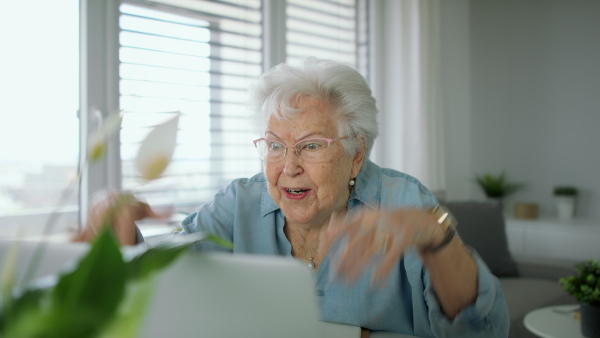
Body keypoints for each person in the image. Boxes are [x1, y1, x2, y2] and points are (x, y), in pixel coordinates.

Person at [79, 57, 509, 337]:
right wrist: (119, 228)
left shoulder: (402, 201)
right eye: (274, 144)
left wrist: (436, 240)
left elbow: (483, 331)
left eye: (311, 144)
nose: (288, 166)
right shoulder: (239, 204)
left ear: (356, 154)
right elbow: (161, 281)